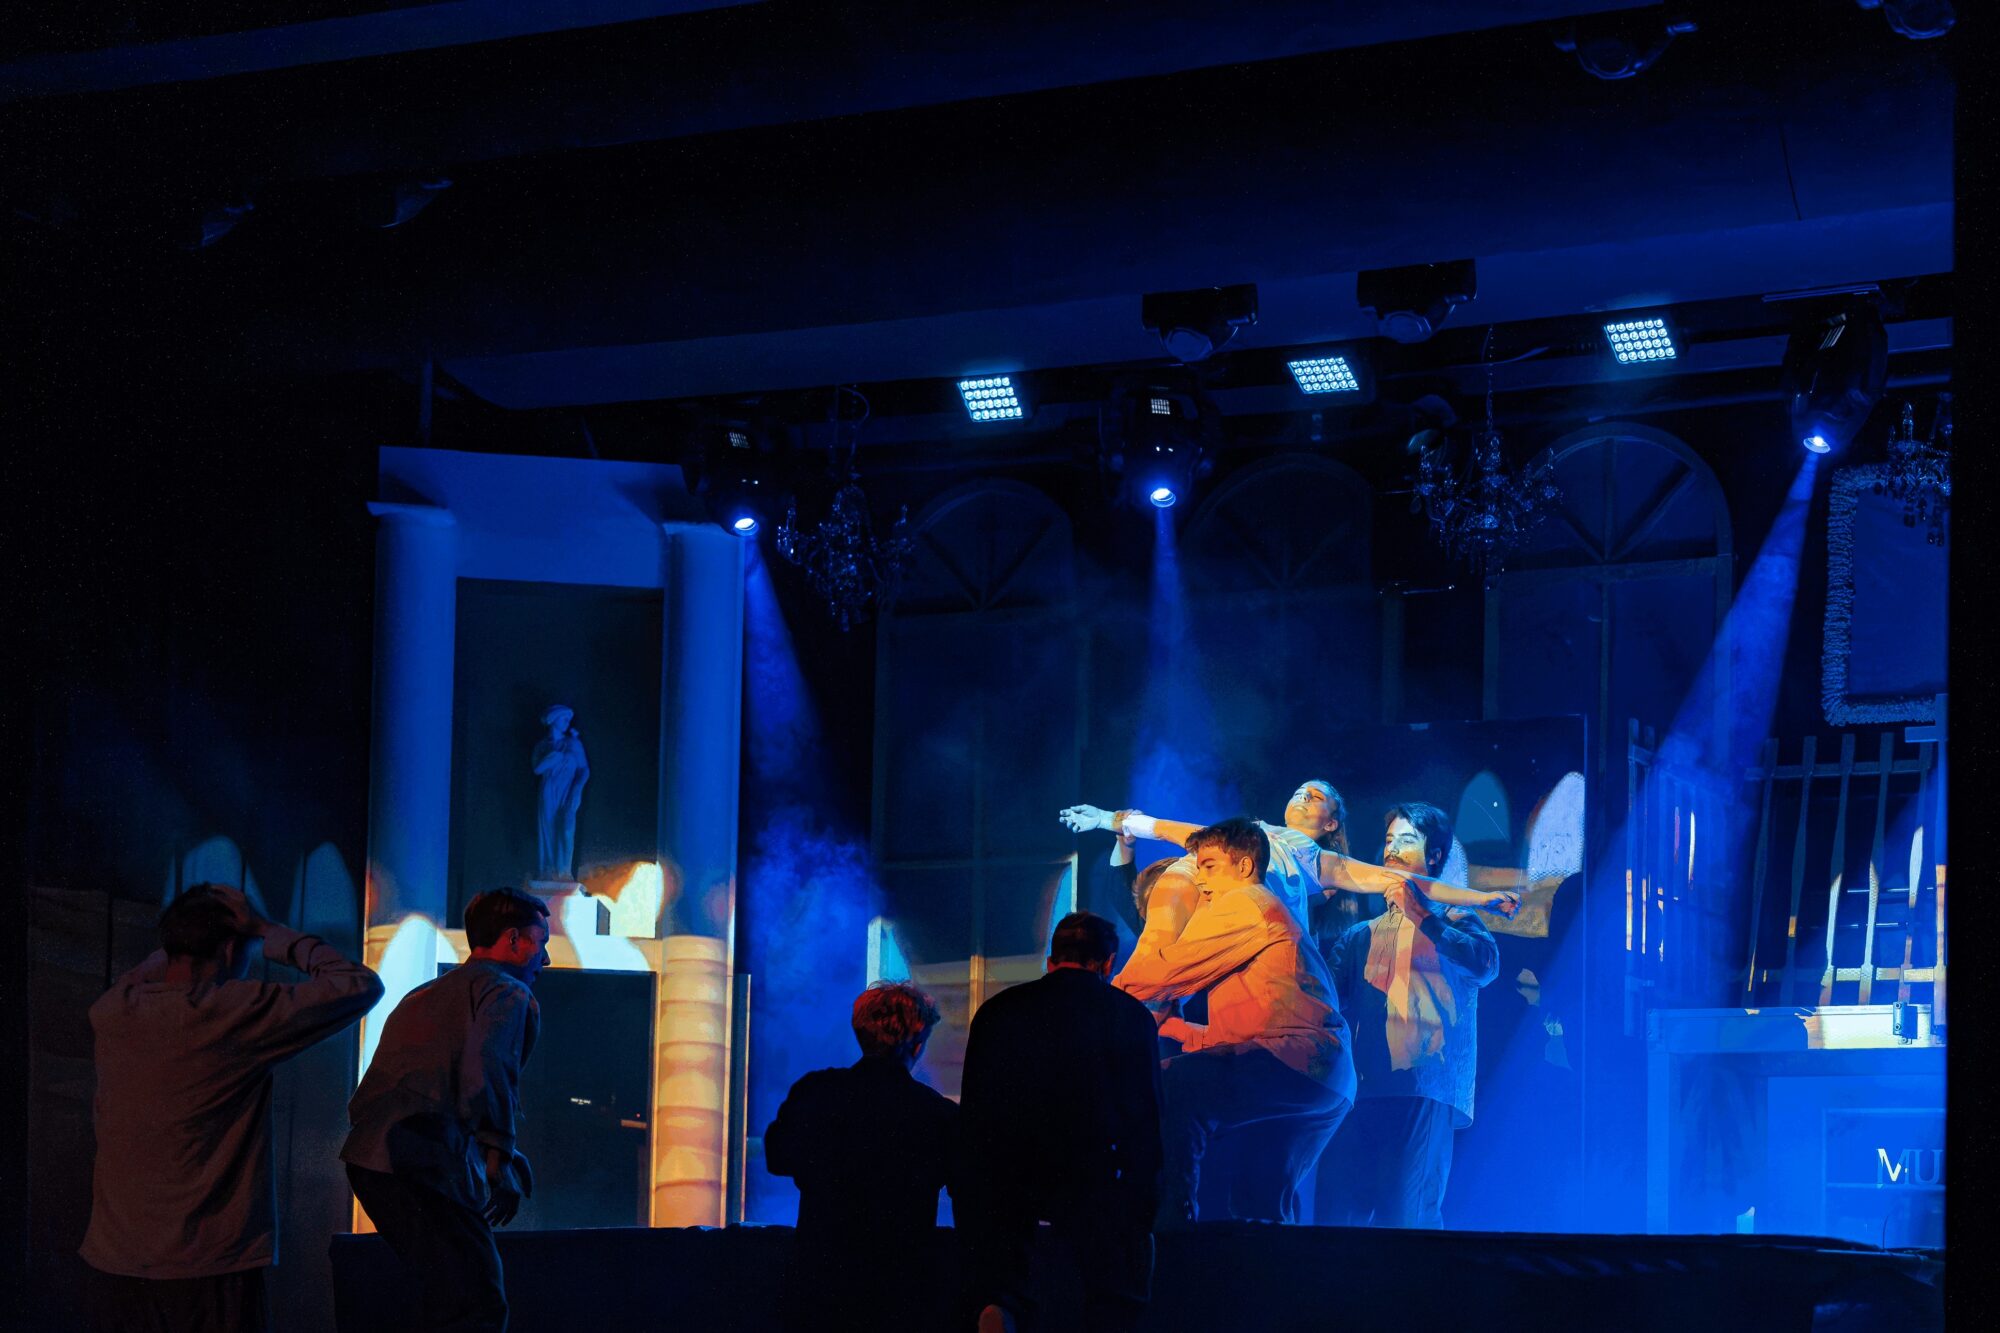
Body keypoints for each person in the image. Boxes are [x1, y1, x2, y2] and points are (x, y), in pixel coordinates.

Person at [82, 883, 383, 1333]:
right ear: (229, 949)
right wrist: (267, 928)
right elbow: (358, 984)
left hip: (115, 1258)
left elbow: (153, 968)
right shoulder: (232, 1013)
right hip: (206, 1264)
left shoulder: (113, 1009)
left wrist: (186, 932)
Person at [1113, 819, 1353, 1229]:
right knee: (1259, 1205)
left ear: (1244, 867)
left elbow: (1159, 973)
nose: (1199, 879)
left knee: (1171, 1083)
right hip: (1325, 1078)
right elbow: (1237, 1037)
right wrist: (1171, 1027)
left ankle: (1174, 1228)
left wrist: (1105, 998)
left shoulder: (1246, 902)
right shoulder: (1261, 911)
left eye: (1208, 866)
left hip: (1298, 1061)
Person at [341, 887, 549, 1333]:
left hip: (372, 1161)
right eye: (541, 942)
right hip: (421, 1162)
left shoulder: (425, 994)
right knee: (477, 1302)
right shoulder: (508, 993)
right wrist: (498, 1154)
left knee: (442, 1293)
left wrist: (497, 1149)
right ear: (513, 940)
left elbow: (408, 1088)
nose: (545, 959)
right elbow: (489, 1068)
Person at [958, 912, 1163, 1333]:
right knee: (1107, 1300)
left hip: (1009, 1177)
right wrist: (1143, 1203)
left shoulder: (999, 1011)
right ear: (1108, 962)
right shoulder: (1129, 1015)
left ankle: (1001, 1307)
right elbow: (1144, 1117)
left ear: (1052, 959)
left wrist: (971, 1192)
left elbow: (975, 1109)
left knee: (1008, 1290)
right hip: (1092, 1177)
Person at [1317, 803, 1500, 1230]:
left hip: (1424, 1087)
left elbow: (1485, 965)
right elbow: (1323, 1003)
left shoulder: (1457, 919)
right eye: (1388, 840)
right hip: (1360, 1090)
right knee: (1338, 1218)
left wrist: (1419, 913)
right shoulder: (1359, 935)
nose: (1392, 850)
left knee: (1406, 1218)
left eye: (1406, 840)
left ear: (1433, 856)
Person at [1060, 779, 1520, 934]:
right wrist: (1111, 820)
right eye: (1299, 791)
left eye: (1314, 796)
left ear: (1331, 823)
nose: (1302, 796)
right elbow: (1191, 835)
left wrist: (1481, 899)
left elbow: (1402, 881)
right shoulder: (1253, 831)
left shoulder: (1318, 863)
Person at [763, 981, 958, 1329]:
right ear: (917, 1043)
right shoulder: (935, 1113)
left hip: (819, 1288)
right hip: (900, 1295)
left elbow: (777, 1158)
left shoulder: (816, 1093)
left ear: (860, 1032)